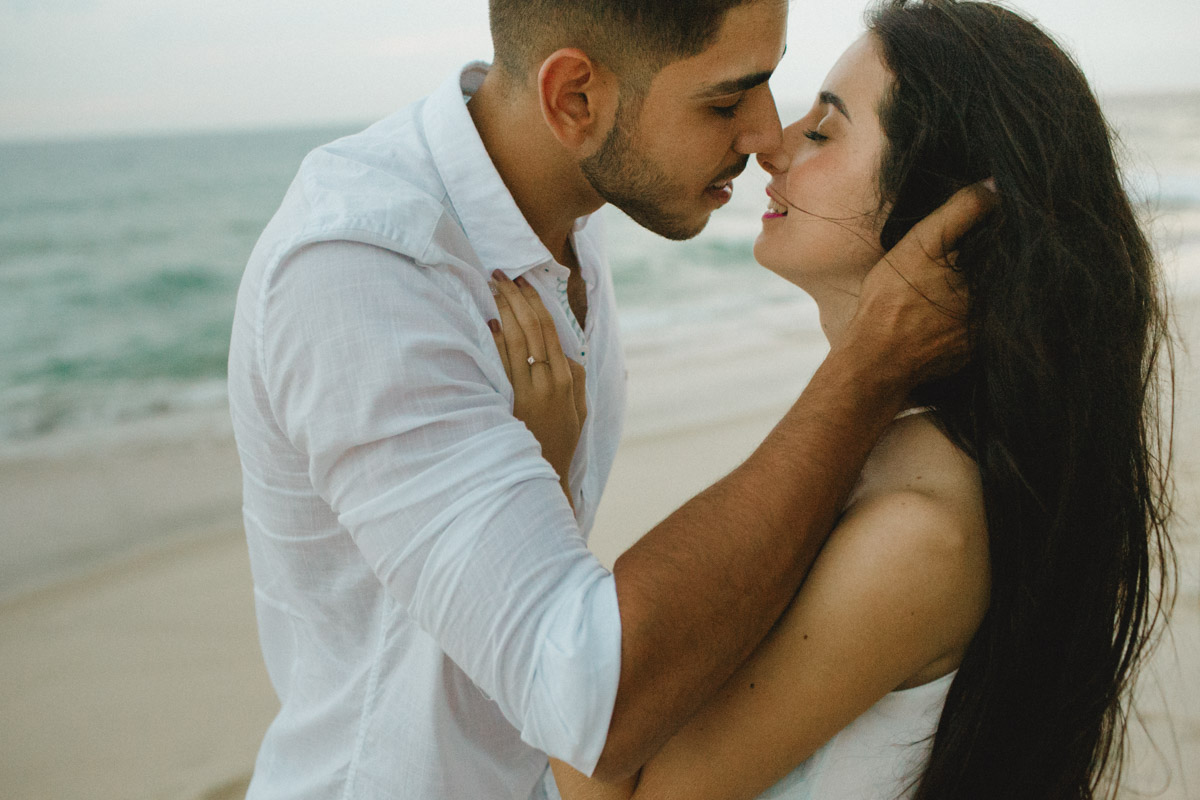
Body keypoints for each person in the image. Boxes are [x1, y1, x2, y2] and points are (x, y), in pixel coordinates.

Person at [226, 1, 993, 798]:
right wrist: (867, 368)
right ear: (575, 102)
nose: (767, 135)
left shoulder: (573, 213)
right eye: (726, 101)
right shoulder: (367, 270)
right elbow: (587, 695)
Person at [494, 1, 1175, 798]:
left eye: (823, 131)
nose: (773, 145)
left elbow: (615, 782)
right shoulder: (889, 450)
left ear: (939, 209)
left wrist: (537, 482)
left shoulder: (915, 532)